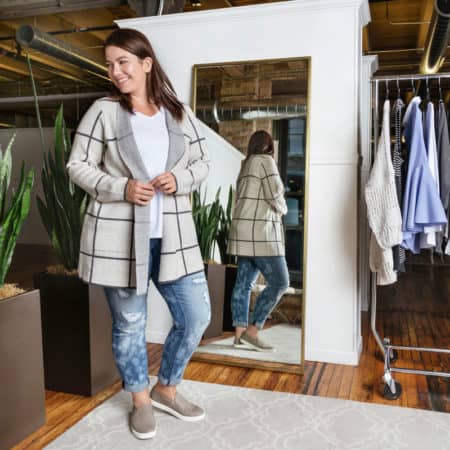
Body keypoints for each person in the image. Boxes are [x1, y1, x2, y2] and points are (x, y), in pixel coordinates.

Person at [67, 28, 211, 440]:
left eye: (122, 62)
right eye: (110, 64)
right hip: (119, 240)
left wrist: (179, 178)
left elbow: (201, 164)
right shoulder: (103, 111)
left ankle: (166, 388)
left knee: (196, 315)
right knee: (130, 325)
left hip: (174, 239)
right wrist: (122, 188)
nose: (115, 71)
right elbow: (77, 165)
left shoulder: (178, 112)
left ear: (146, 63)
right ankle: (141, 400)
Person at [227, 130, 289, 352]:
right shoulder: (266, 161)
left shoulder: (245, 165)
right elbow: (275, 194)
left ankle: (239, 334)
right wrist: (284, 209)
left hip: (243, 233)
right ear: (268, 145)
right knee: (281, 282)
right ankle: (253, 331)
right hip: (262, 234)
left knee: (242, 285)